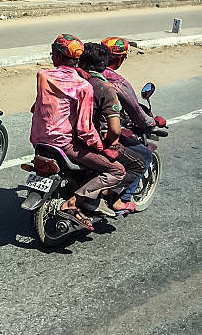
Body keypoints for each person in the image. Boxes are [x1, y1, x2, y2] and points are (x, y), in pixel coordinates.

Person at [30, 34, 125, 229]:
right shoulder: (83, 86)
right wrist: (102, 147)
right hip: (64, 144)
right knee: (117, 170)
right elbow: (85, 129)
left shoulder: (43, 75)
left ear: (56, 56)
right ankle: (74, 202)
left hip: (38, 140)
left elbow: (37, 108)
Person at [77, 42, 146, 214]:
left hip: (66, 135)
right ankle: (111, 196)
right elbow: (116, 128)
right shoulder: (109, 85)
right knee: (139, 163)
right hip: (93, 140)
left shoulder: (70, 78)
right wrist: (111, 145)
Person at [101, 37, 160, 210]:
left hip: (75, 129)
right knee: (144, 156)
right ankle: (121, 197)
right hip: (102, 133)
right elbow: (136, 112)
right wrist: (151, 122)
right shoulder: (116, 82)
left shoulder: (81, 73)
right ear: (119, 58)